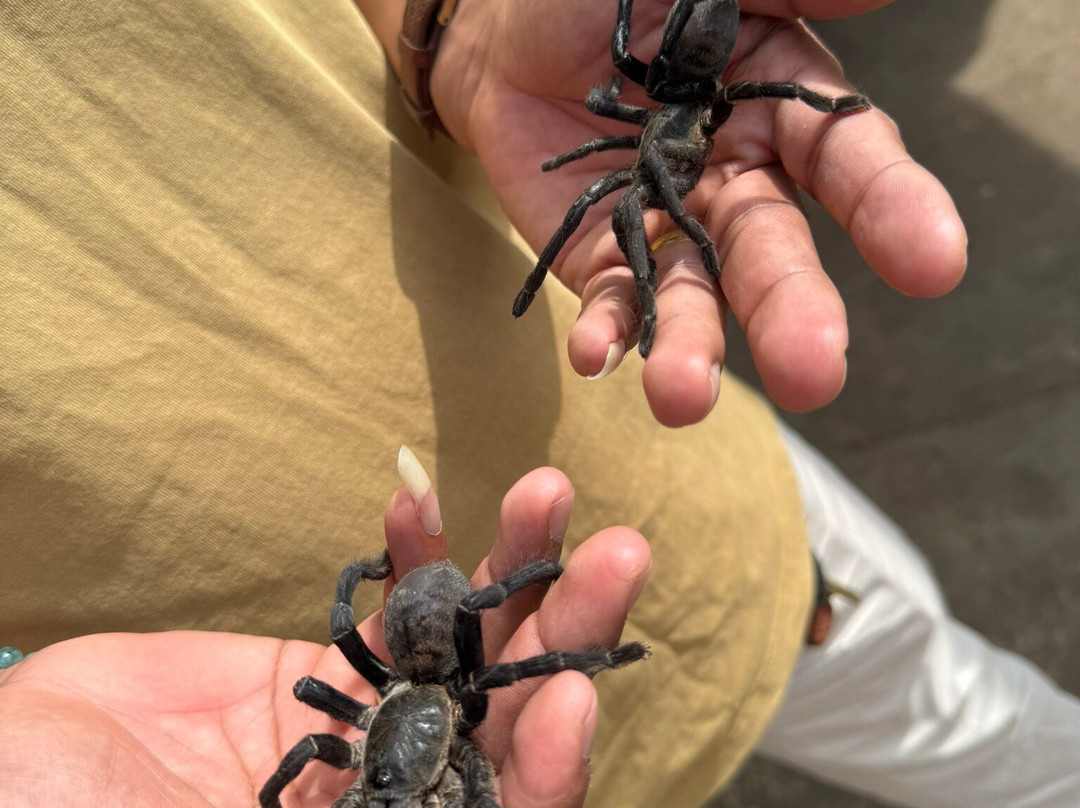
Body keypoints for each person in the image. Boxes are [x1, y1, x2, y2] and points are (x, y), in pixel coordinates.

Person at [0, 1, 1077, 807]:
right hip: (463, 639)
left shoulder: (653, 116)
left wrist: (460, 21)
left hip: (730, 510)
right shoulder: (407, 714)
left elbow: (377, 632)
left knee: (965, 705)